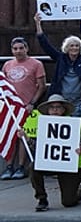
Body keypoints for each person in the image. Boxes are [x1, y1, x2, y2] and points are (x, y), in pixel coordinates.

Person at [35, 14, 81, 177]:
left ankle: (77, 166)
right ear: (66, 48)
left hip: (79, 102)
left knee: (77, 134)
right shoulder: (60, 58)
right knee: (58, 134)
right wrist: (38, 26)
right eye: (71, 46)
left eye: (76, 46)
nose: (74, 48)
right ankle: (56, 167)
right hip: (60, 101)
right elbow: (45, 45)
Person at [29, 94, 81, 211]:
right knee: (33, 167)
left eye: (58, 107)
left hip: (72, 165)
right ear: (48, 110)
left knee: (68, 202)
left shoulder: (73, 123)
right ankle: (42, 199)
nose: (55, 110)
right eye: (52, 107)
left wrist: (80, 148)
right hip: (51, 162)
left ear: (63, 110)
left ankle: (79, 189)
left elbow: (77, 142)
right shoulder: (42, 124)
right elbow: (38, 146)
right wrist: (26, 138)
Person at [1, 36, 46, 180]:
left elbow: (42, 86)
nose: (18, 51)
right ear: (12, 50)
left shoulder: (36, 64)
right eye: (15, 49)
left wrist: (32, 102)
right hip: (10, 106)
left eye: (21, 48)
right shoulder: (7, 65)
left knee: (23, 137)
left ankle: (21, 166)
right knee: (10, 135)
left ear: (26, 48)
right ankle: (9, 166)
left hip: (27, 106)